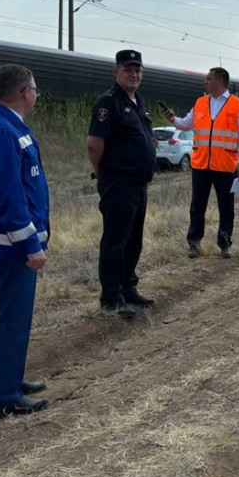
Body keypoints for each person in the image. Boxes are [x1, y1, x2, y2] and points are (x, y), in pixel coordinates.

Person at [0, 64, 51, 418]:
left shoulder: (5, 126)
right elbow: (10, 195)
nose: (36, 94)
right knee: (14, 318)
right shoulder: (3, 131)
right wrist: (29, 244)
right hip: (12, 246)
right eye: (35, 89)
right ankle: (6, 396)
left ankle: (13, 379)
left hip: (12, 243)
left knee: (19, 317)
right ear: (24, 92)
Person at [87, 50, 157, 319]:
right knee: (115, 241)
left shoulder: (139, 101)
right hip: (118, 183)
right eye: (128, 69)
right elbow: (94, 145)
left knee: (133, 241)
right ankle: (111, 298)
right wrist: (102, 174)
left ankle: (128, 288)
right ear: (116, 72)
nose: (134, 74)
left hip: (138, 184)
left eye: (138, 70)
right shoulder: (108, 103)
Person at [164, 67, 239, 258]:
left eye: (208, 79)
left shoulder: (238, 105)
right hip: (201, 165)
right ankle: (194, 243)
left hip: (226, 165)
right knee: (197, 207)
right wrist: (173, 119)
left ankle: (225, 243)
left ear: (220, 82)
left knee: (226, 208)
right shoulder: (200, 102)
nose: (205, 82)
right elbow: (186, 124)